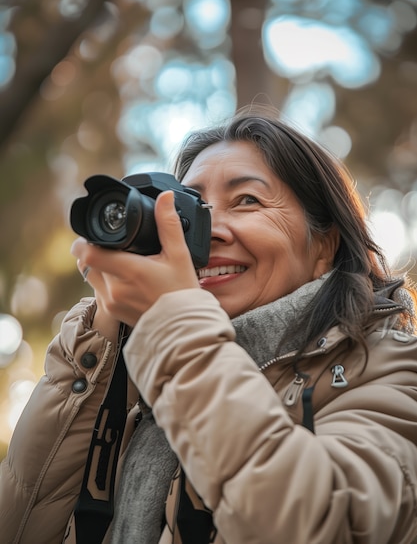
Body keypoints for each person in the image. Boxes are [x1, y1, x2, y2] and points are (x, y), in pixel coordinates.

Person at [1, 106, 417, 544]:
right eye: (192, 210)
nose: (208, 231)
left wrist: (172, 323)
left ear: (325, 247)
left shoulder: (390, 368)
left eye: (247, 201)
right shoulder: (141, 374)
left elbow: (325, 526)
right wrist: (103, 347)